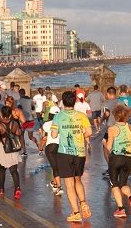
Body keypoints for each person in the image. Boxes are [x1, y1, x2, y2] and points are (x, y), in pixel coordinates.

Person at [51, 91, 92, 223]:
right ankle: (83, 202)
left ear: (62, 102)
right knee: (78, 180)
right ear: (74, 101)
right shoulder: (82, 116)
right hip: (80, 153)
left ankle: (76, 212)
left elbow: (53, 135)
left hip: (64, 153)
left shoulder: (58, 117)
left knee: (69, 184)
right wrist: (79, 136)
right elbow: (89, 132)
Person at [106, 104, 131, 218]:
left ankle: (121, 209)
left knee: (114, 184)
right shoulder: (130, 127)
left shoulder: (112, 129)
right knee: (123, 184)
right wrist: (126, 146)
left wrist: (104, 143)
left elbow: (108, 146)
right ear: (126, 116)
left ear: (115, 116)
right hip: (128, 158)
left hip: (116, 158)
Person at [0, 106, 22, 200]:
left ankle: (1, 189)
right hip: (14, 149)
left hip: (3, 149)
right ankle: (17, 189)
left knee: (2, 170)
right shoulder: (15, 123)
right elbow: (19, 134)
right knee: (14, 170)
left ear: (1, 114)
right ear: (10, 114)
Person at [42, 106, 63, 196]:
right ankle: (55, 183)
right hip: (61, 147)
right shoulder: (63, 123)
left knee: (54, 167)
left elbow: (44, 137)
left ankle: (59, 187)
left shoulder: (47, 124)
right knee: (57, 166)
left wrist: (40, 147)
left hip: (50, 147)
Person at [101, 86, 120, 177]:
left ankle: (111, 169)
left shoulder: (108, 103)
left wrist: (101, 120)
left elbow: (107, 114)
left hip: (110, 128)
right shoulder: (121, 102)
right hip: (120, 128)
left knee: (106, 149)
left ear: (108, 94)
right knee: (117, 148)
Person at [18, 88, 40, 155]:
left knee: (21, 135)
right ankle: (39, 146)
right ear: (24, 93)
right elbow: (33, 108)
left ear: (20, 94)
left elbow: (19, 108)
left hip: (23, 120)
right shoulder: (30, 100)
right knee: (30, 137)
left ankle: (24, 151)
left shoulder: (19, 100)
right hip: (31, 120)